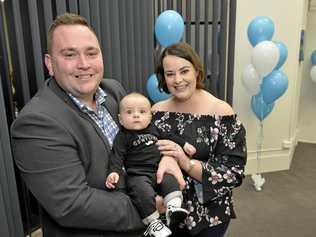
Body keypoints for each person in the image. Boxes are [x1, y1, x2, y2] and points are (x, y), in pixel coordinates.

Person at [10, 13, 184, 237]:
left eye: (91, 53)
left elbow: (144, 135)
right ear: (49, 64)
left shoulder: (113, 91)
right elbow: (72, 204)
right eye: (70, 54)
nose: (84, 64)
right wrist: (152, 206)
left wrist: (167, 156)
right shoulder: (35, 123)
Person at [151, 42, 247, 237]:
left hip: (209, 217)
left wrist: (185, 163)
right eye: (170, 74)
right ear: (163, 78)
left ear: (196, 71)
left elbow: (233, 173)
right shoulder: (155, 112)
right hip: (164, 214)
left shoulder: (221, 113)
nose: (178, 80)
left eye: (184, 71)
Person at [105, 92, 195, 237]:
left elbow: (170, 136)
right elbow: (116, 155)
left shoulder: (154, 128)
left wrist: (184, 145)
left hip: (159, 168)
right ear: (120, 119)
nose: (136, 115)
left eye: (142, 112)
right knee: (141, 192)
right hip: (138, 174)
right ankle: (154, 223)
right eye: (129, 112)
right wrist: (113, 172)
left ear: (150, 117)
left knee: (170, 180)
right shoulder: (123, 136)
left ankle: (173, 206)